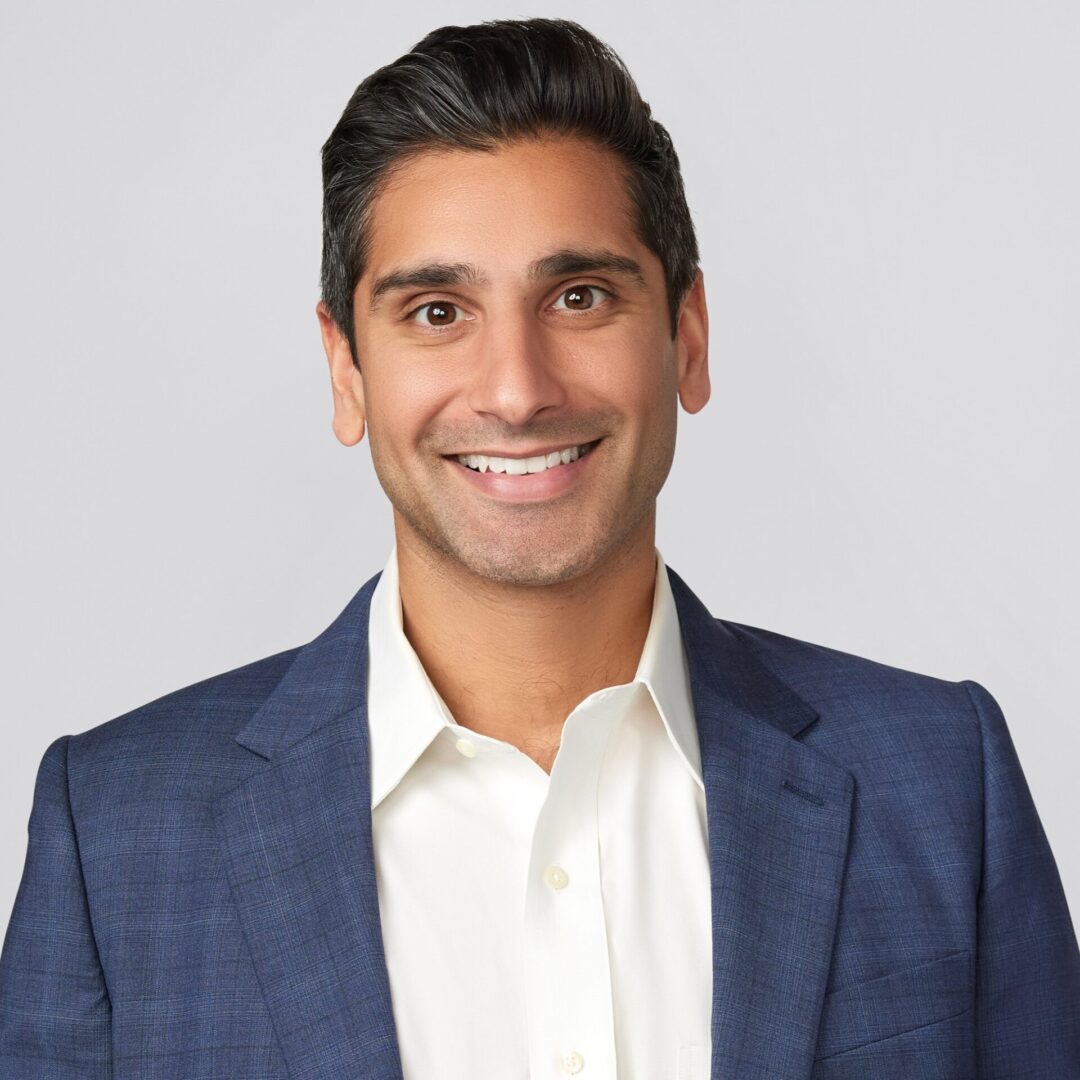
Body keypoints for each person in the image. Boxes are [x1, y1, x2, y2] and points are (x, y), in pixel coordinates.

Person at [1, 16, 1078, 1080]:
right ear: (345, 370)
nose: (517, 390)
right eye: (435, 311)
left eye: (580, 296)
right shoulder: (118, 833)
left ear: (687, 338)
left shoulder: (940, 787)